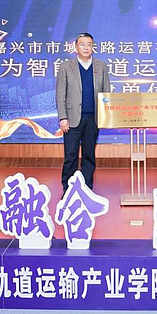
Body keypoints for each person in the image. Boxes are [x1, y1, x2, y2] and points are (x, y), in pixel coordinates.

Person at [56, 32, 111, 193]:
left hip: (93, 118)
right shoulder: (66, 66)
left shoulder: (101, 66)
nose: (86, 48)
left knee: (89, 155)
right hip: (72, 119)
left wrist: (104, 117)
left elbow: (106, 93)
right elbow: (60, 94)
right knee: (70, 156)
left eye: (89, 44)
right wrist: (63, 117)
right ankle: (68, 190)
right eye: (82, 44)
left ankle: (87, 189)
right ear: (76, 47)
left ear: (93, 47)